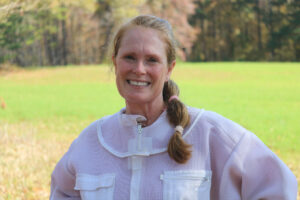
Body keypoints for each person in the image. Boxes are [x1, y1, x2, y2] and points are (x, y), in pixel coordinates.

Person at [50, 15, 298, 200]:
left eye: (152, 60)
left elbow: (279, 188)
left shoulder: (212, 134)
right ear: (115, 63)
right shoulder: (91, 142)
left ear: (169, 69)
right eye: (129, 57)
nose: (139, 69)